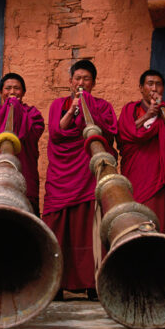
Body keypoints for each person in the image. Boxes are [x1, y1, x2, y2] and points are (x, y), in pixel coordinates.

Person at [42, 59, 117, 299]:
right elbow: (56, 132)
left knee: (92, 225)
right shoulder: (58, 105)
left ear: (93, 83)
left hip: (88, 173)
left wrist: (89, 109)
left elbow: (109, 133)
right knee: (57, 225)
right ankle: (55, 283)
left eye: (86, 79)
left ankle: (94, 282)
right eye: (77, 78)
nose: (81, 83)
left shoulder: (103, 106)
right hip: (62, 175)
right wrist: (74, 108)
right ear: (70, 81)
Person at [116, 69, 165, 238]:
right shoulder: (130, 110)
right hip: (140, 175)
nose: (154, 88)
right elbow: (126, 132)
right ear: (141, 88)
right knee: (140, 219)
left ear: (163, 89)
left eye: (158, 84)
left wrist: (162, 114)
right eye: (150, 84)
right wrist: (149, 114)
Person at [0, 73, 44, 214]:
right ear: (1, 92)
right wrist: (5, 111)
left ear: (23, 92)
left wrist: (17, 110)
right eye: (8, 88)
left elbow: (34, 133)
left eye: (16, 88)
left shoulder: (32, 113)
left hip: (25, 170)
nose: (12, 92)